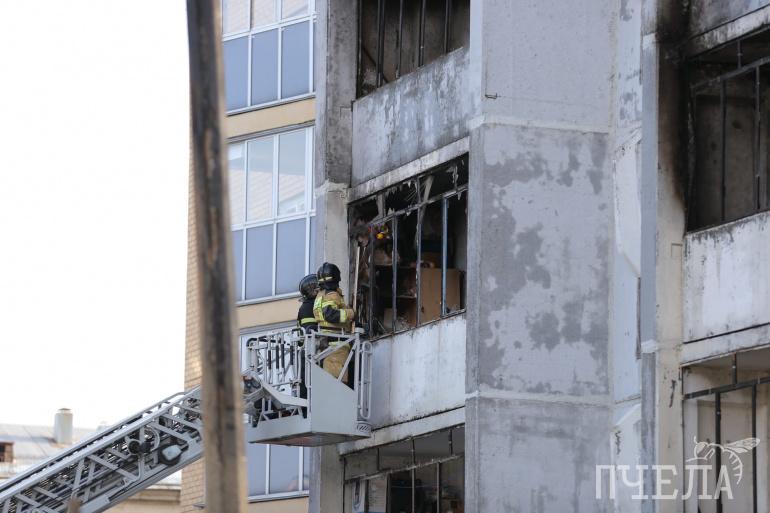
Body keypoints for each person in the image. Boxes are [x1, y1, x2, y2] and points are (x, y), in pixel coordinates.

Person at [313, 262, 355, 380]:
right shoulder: (332, 294)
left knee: (329, 380)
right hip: (337, 345)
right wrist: (351, 313)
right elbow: (330, 314)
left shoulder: (320, 296)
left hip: (325, 343)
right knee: (338, 382)